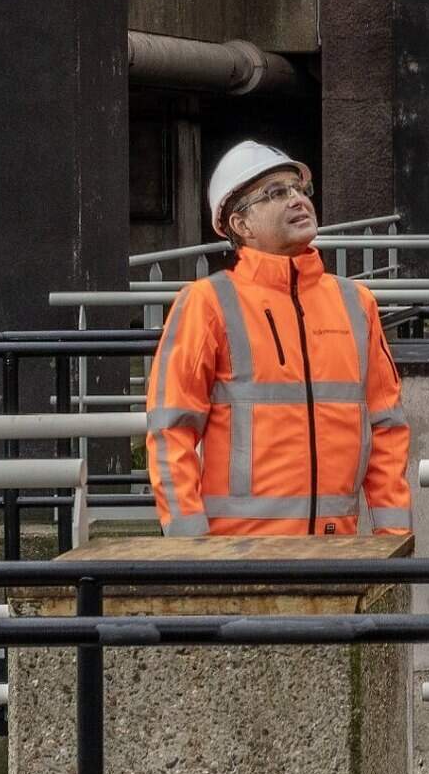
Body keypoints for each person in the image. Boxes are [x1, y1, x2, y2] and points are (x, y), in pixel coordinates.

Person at [141, 142, 411, 540]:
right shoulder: (207, 303)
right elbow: (171, 431)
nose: (298, 200)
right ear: (241, 225)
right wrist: (190, 547)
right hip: (238, 557)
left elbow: (385, 427)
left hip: (335, 551)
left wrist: (393, 538)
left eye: (300, 189)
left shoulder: (356, 303)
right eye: (276, 193)